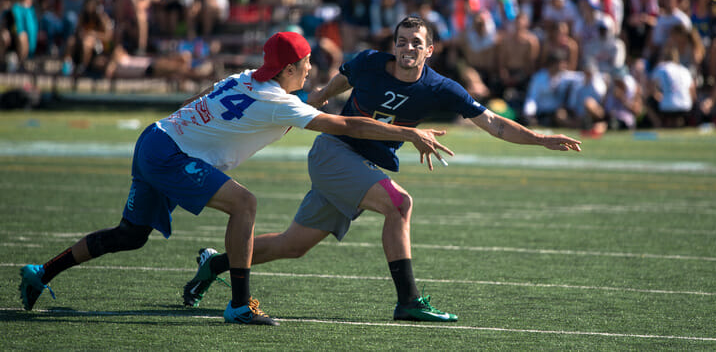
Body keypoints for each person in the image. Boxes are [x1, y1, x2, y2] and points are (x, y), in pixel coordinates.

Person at [18, 31, 454, 326]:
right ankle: (240, 305)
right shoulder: (280, 102)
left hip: (155, 139)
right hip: (168, 152)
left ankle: (42, 271)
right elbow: (349, 126)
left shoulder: (248, 77)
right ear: (287, 70)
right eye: (303, 64)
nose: (308, 71)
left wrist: (178, 126)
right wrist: (408, 132)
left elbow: (200, 97)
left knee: (130, 236)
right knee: (244, 204)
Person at [180, 16, 581, 323]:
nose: (408, 48)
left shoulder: (441, 87)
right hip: (334, 152)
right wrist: (315, 100)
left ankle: (214, 264)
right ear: (394, 45)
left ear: (430, 50)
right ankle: (408, 301)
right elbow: (338, 83)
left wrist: (541, 139)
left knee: (292, 245)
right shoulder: (370, 63)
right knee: (399, 203)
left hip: (360, 164)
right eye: (402, 41)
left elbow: (493, 122)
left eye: (416, 43)